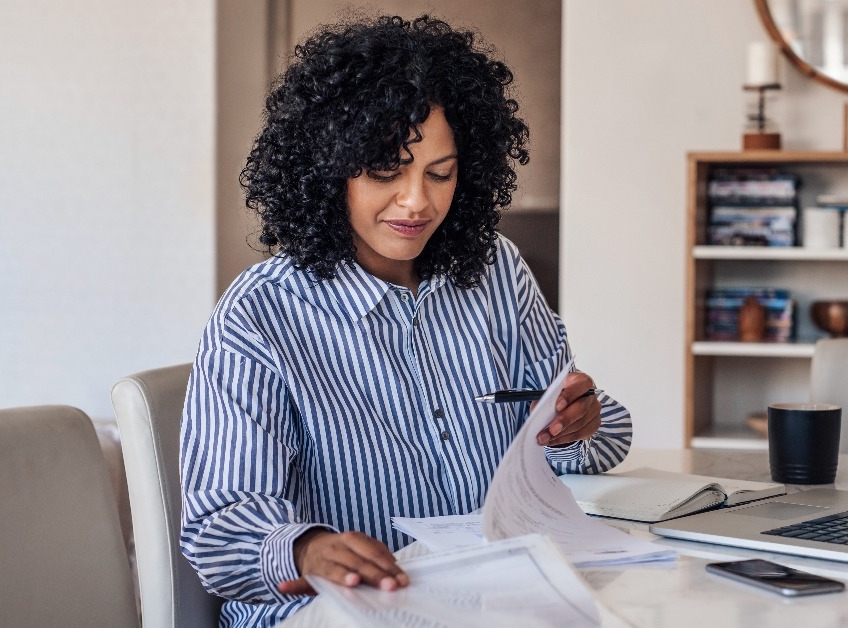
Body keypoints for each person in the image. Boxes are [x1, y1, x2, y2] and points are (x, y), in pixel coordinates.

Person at [179, 15, 632, 627]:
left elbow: (580, 447)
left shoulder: (496, 269)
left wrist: (578, 424)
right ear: (327, 171)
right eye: (386, 173)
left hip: (489, 593)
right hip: (335, 612)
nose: (418, 201)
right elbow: (218, 530)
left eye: (439, 173)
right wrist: (308, 548)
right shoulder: (261, 314)